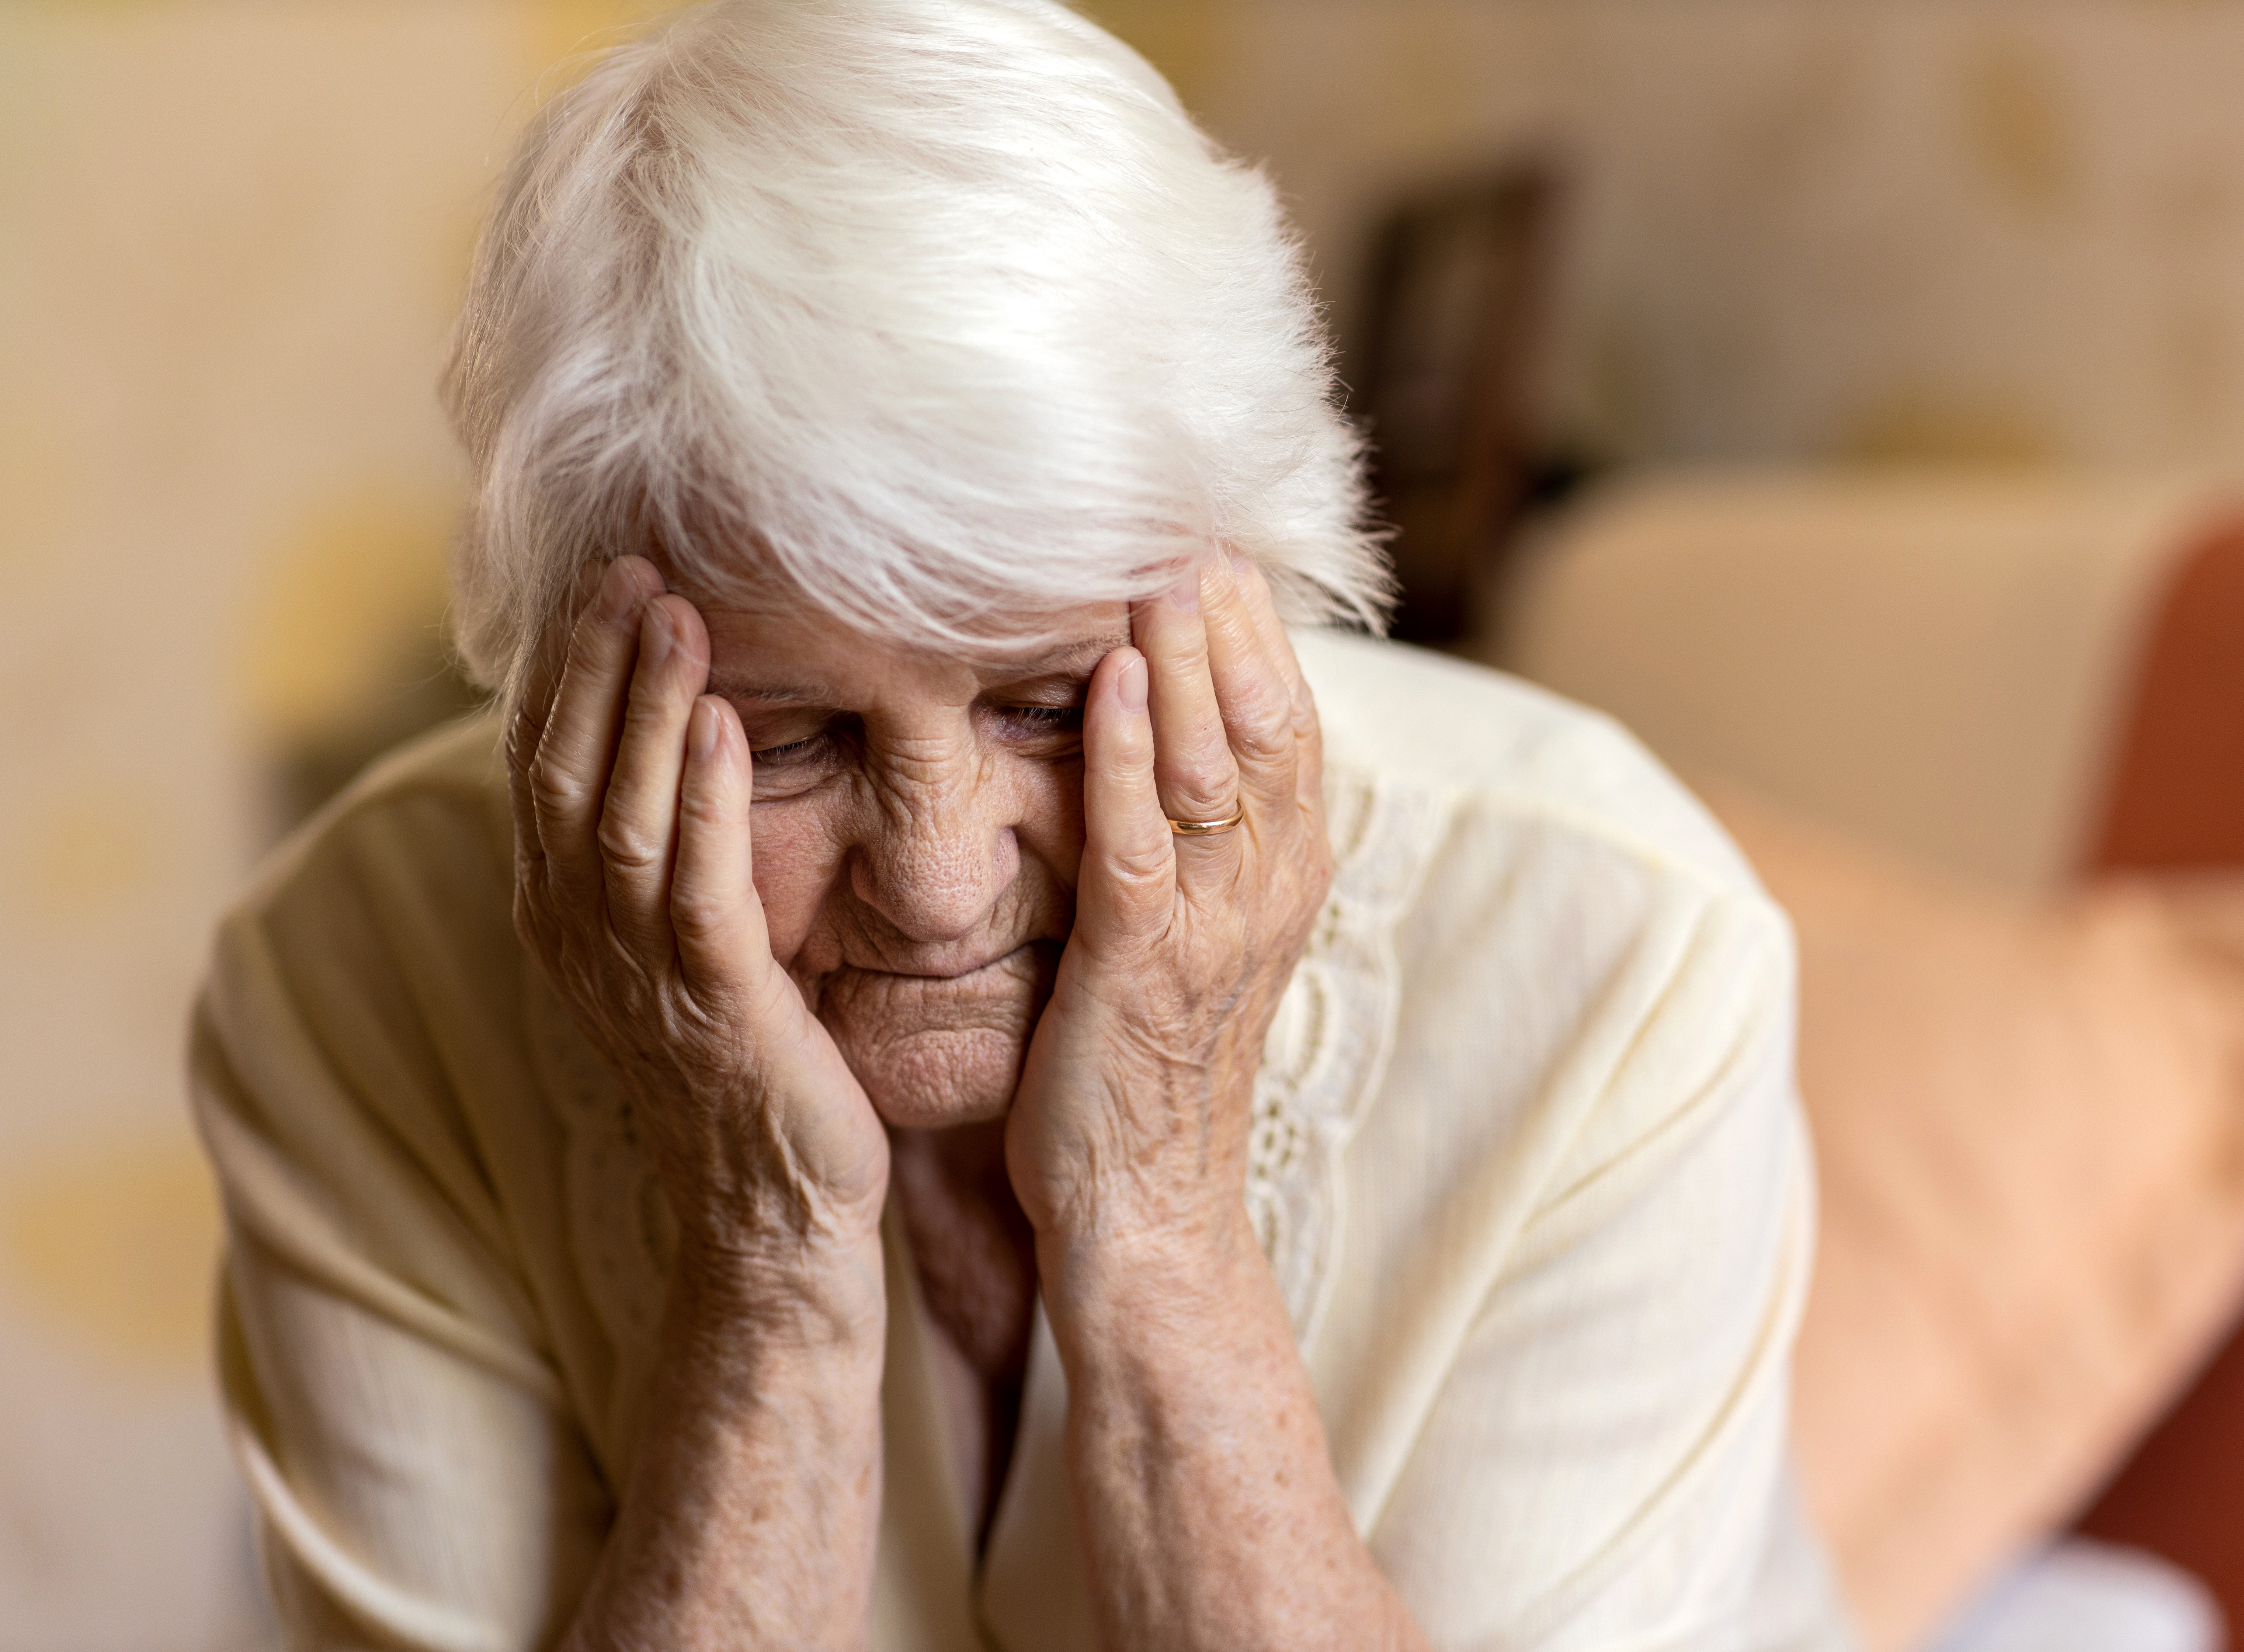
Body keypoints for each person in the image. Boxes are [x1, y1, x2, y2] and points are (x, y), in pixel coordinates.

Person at [191, 1, 1852, 1647]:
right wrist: (769, 1261)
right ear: (569, 676)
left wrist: (1154, 1225)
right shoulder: (356, 987)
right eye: (786, 738)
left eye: (1050, 708)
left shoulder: (1623, 958)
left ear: (1250, 591)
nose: (935, 882)